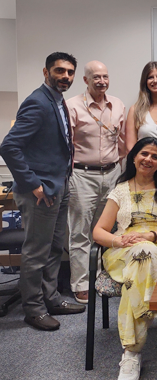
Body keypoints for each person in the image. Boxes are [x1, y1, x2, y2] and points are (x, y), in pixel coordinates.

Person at [93, 137, 157, 380]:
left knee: (145, 255)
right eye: (144, 154)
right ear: (134, 157)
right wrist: (119, 239)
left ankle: (131, 353)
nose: (148, 159)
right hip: (124, 251)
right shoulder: (120, 190)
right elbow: (99, 232)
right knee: (142, 254)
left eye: (155, 156)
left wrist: (151, 236)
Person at [0, 52, 85, 331]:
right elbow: (9, 146)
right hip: (40, 191)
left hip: (58, 186)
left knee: (53, 248)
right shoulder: (37, 101)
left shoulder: (57, 100)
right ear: (46, 72)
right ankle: (33, 309)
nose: (66, 77)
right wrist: (33, 184)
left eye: (70, 72)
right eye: (60, 71)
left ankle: (51, 298)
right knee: (36, 251)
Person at [66, 60, 126, 304]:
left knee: (109, 229)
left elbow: (121, 142)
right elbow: (66, 143)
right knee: (81, 232)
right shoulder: (72, 106)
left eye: (105, 76)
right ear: (85, 80)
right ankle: (81, 284)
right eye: (96, 77)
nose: (101, 81)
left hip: (112, 173)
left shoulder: (118, 104)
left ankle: (106, 275)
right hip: (82, 175)